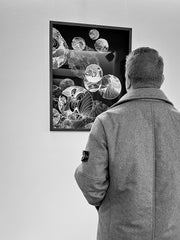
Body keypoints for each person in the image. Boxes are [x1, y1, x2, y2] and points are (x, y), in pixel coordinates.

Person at [74, 47, 180, 240]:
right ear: (161, 80)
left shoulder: (107, 122)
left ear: (127, 79)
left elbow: (91, 184)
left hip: (119, 233)